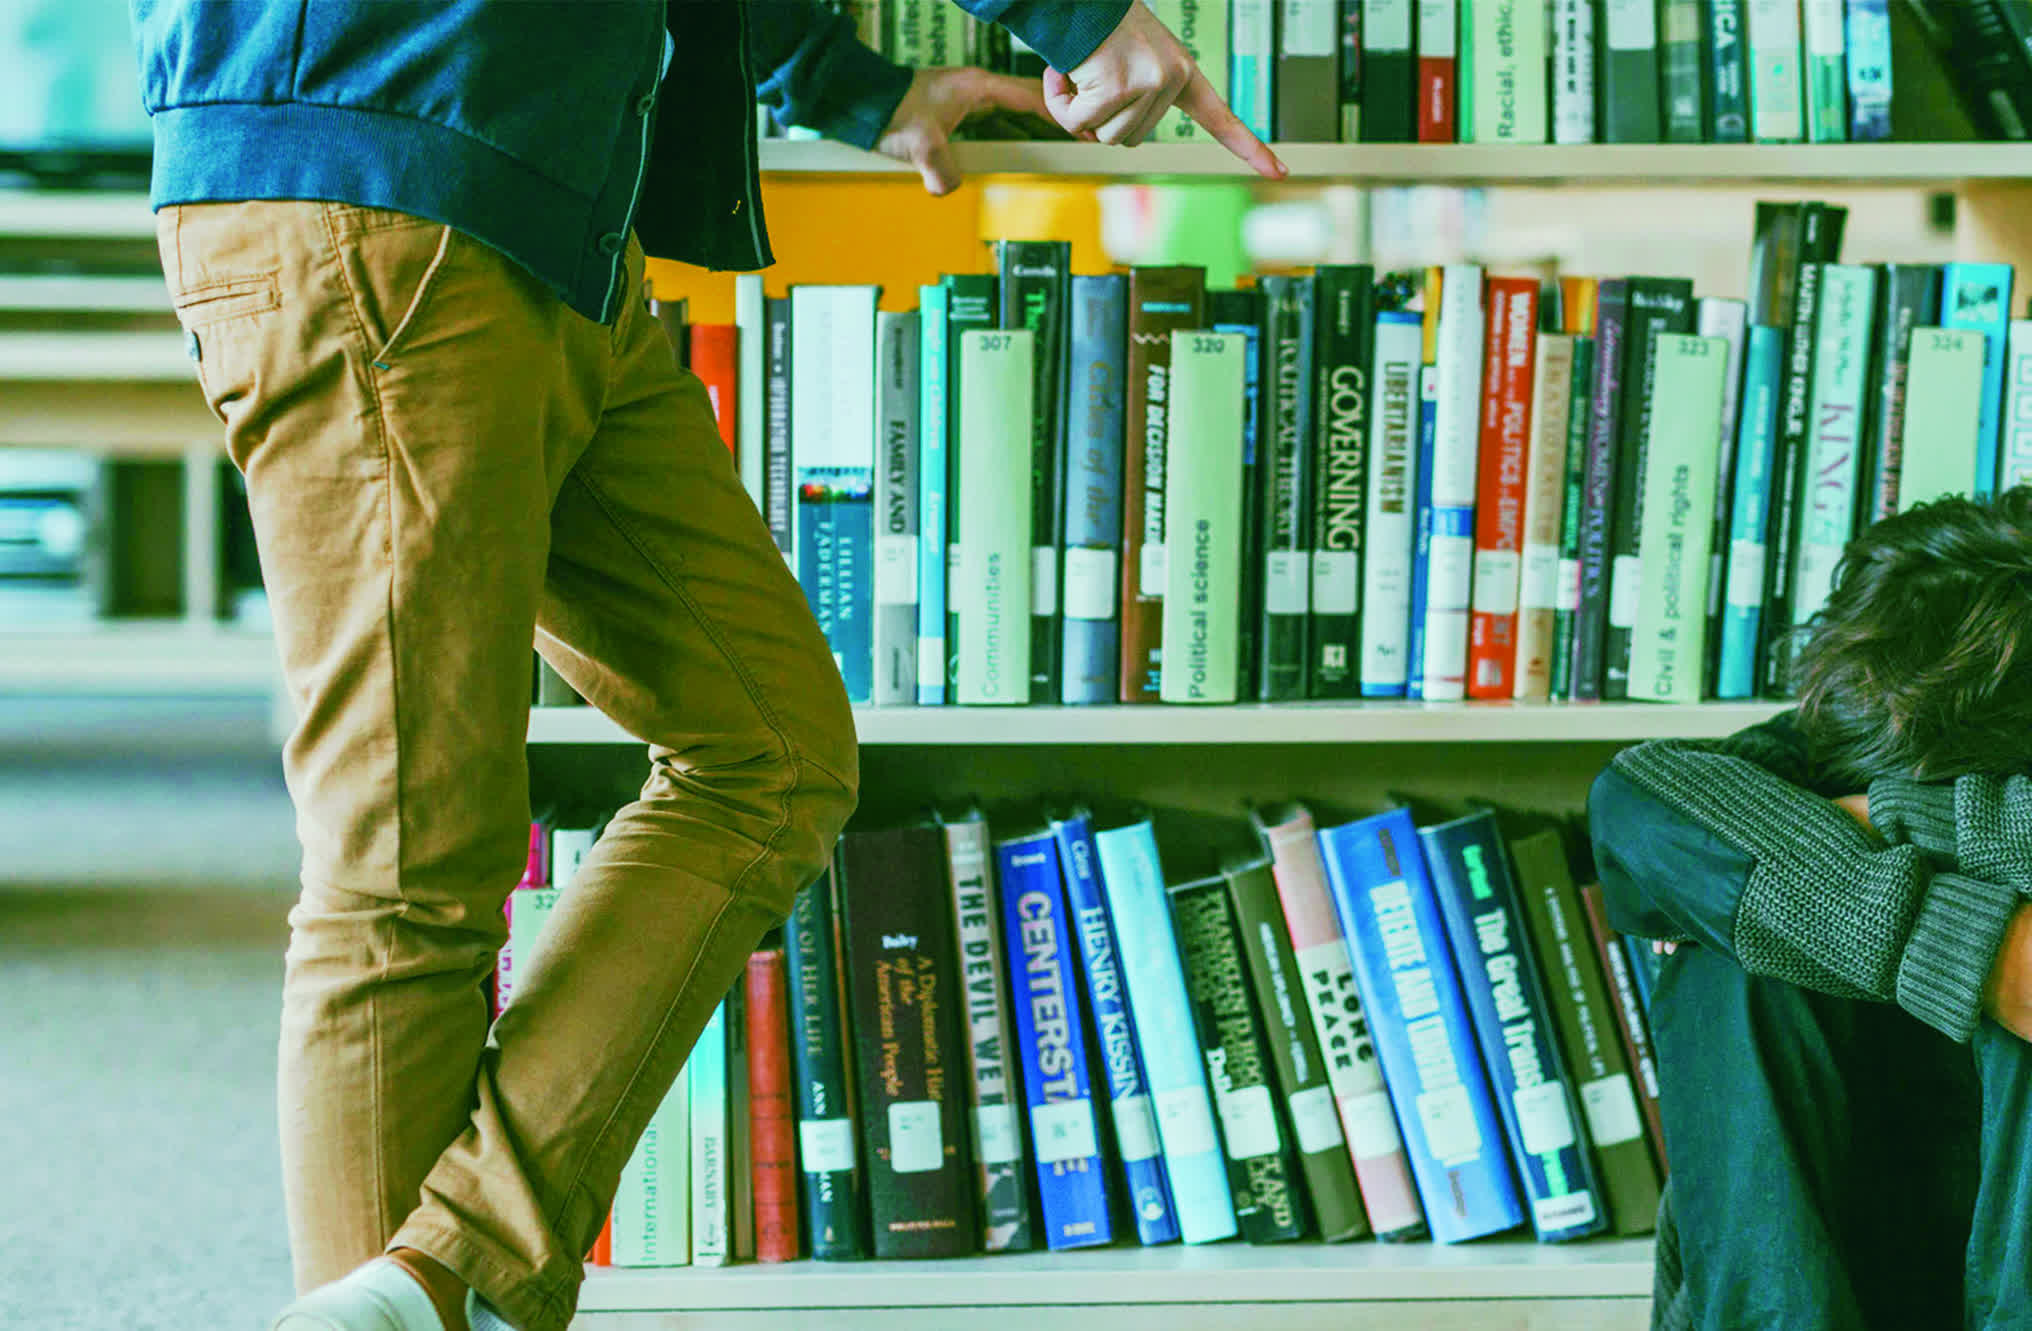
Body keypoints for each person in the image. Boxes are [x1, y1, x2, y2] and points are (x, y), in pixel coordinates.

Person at [134, 3, 1281, 1329]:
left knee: (772, 746)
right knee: (407, 869)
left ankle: (441, 1272)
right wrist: (1082, 17)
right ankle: (424, 1293)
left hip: (546, 217)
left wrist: (842, 81)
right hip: (386, 181)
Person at [1590, 490, 2032, 1330]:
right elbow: (1629, 807)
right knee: (1734, 935)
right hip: (1797, 1281)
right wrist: (1981, 953)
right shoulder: (1801, 760)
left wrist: (1894, 818)